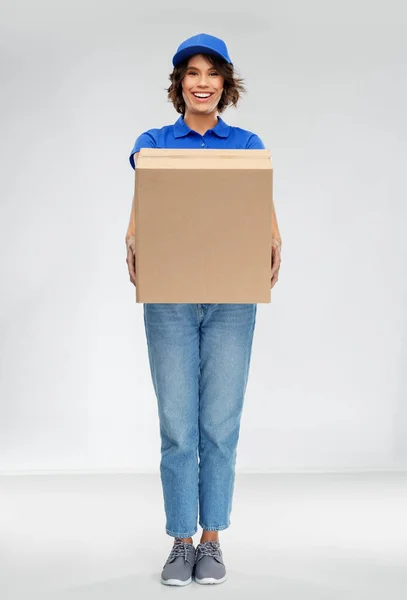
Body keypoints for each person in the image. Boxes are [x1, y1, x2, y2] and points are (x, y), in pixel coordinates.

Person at [125, 33, 282, 586]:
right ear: (179, 83)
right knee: (176, 425)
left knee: (218, 423)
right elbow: (145, 202)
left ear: (225, 84)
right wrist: (132, 239)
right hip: (169, 297)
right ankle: (180, 540)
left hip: (232, 298)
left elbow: (261, 209)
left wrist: (274, 241)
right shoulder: (154, 141)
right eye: (192, 72)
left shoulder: (246, 143)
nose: (202, 82)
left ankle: (212, 540)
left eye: (212, 73)